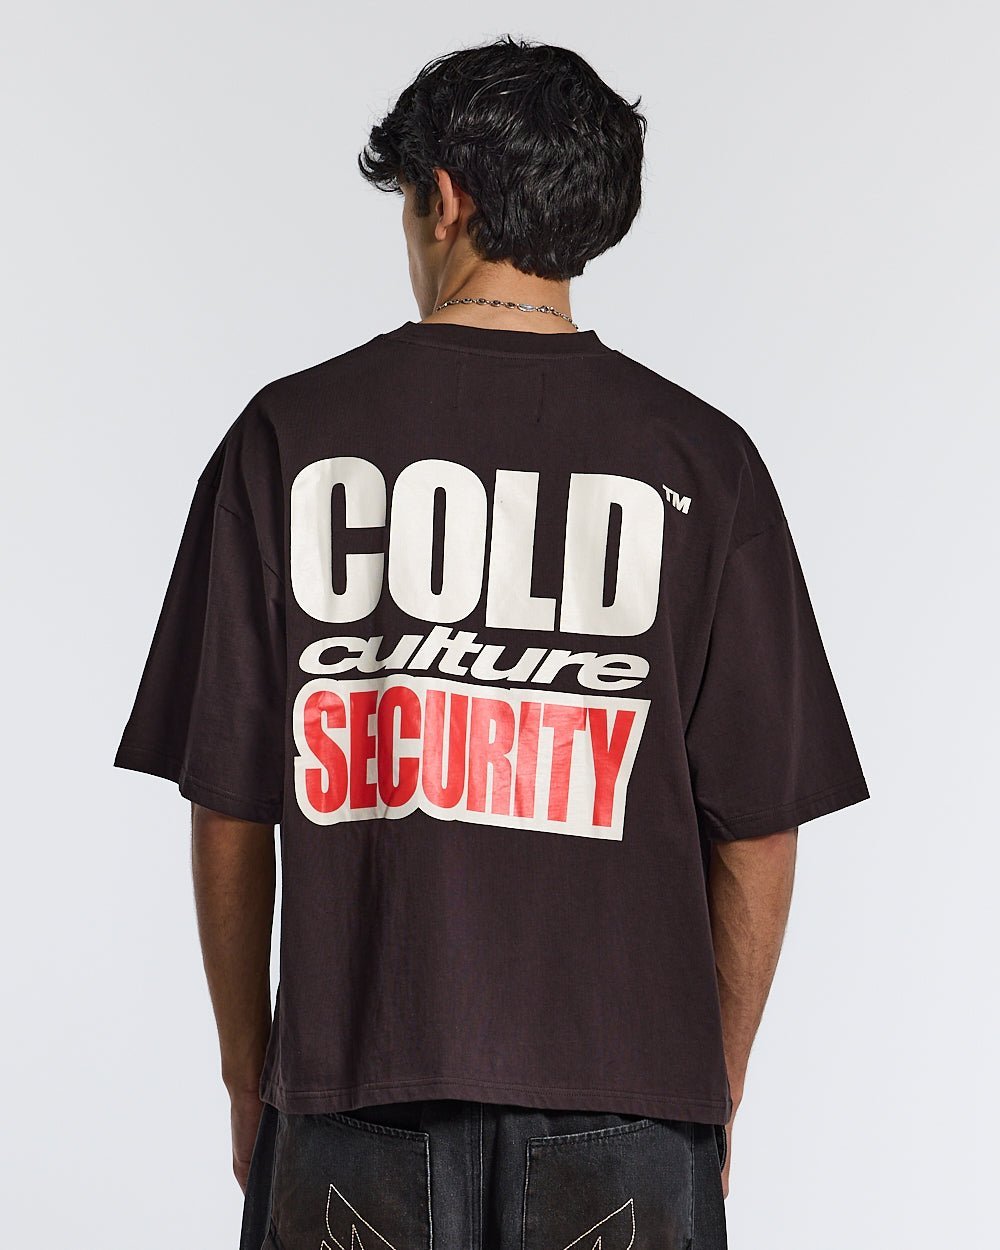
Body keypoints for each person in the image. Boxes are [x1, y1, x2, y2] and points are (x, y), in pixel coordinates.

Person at [113, 35, 869, 1250]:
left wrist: (250, 1076)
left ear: (445, 194)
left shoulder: (287, 439)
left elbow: (231, 805)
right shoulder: (702, 460)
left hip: (354, 1085)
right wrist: (709, 1087)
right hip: (630, 1096)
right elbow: (759, 826)